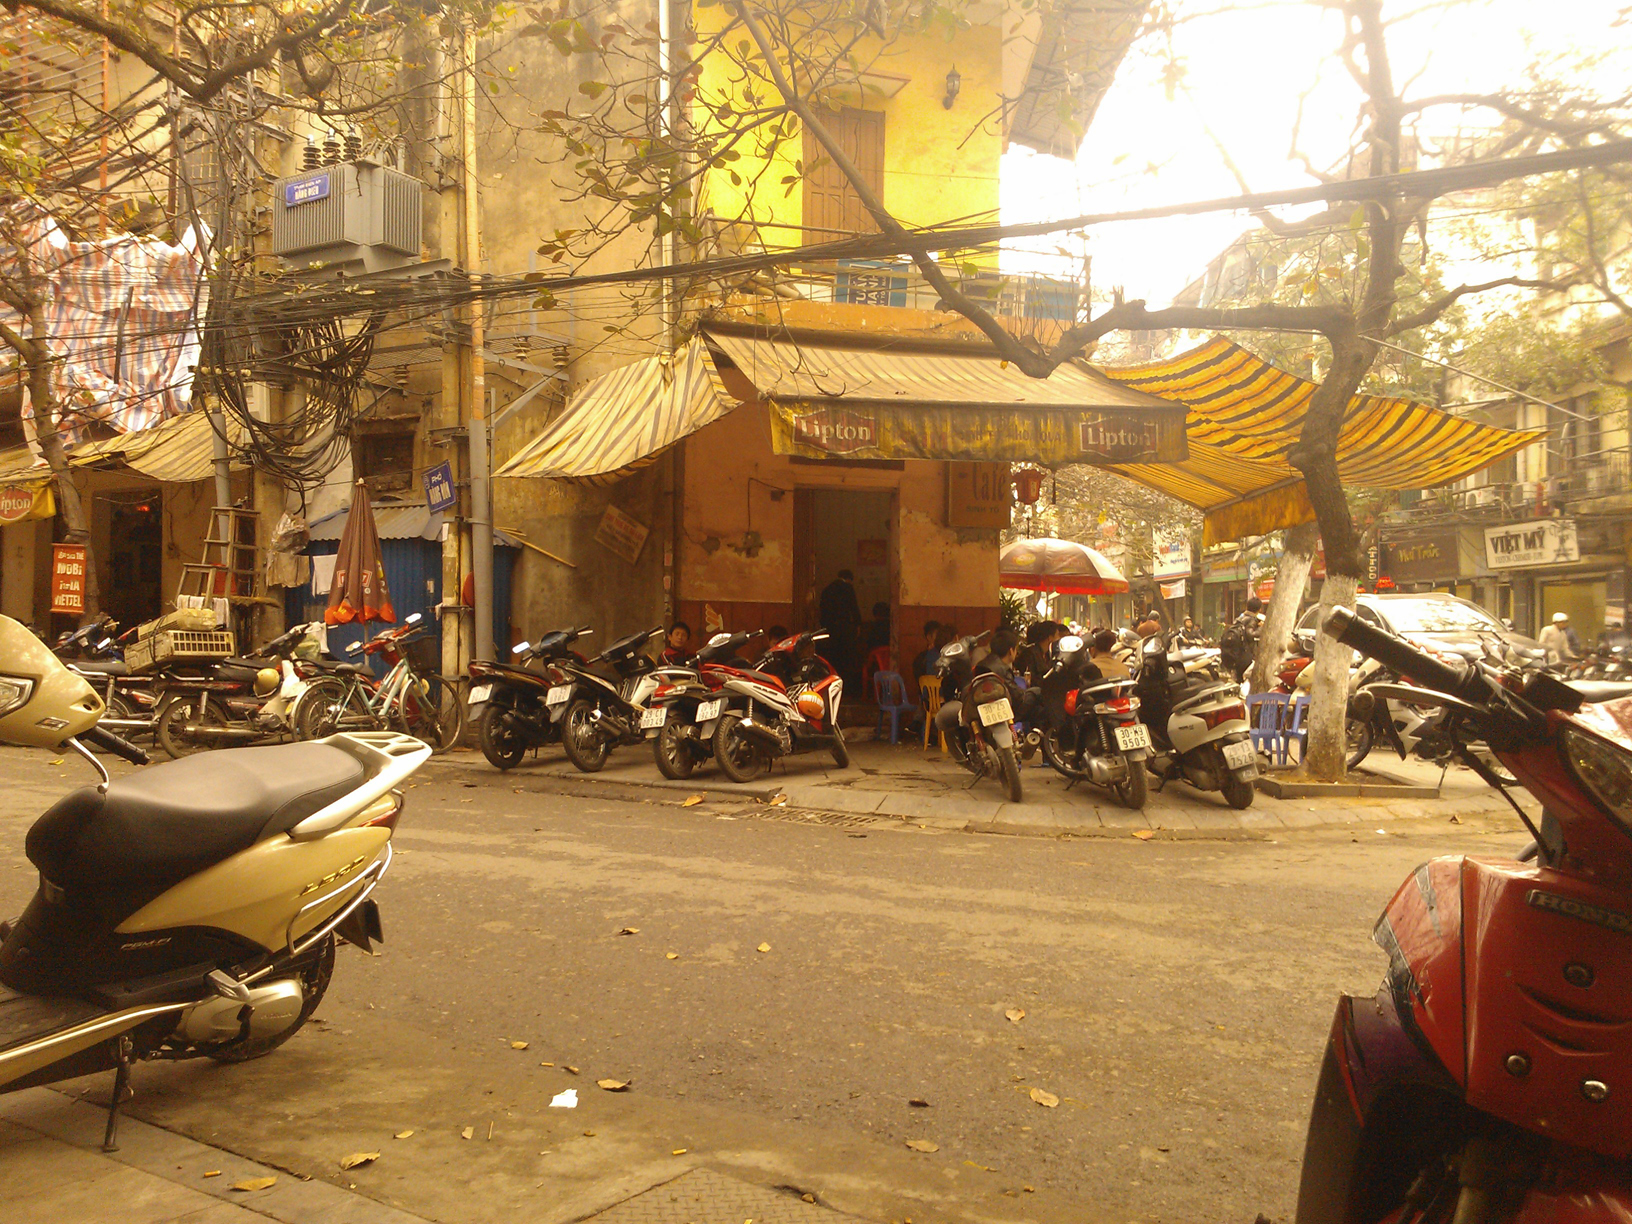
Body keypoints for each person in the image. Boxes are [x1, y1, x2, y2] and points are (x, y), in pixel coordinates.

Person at [818, 569, 863, 682]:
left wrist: (824, 626)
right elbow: (853, 607)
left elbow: (822, 609)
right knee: (846, 656)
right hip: (845, 627)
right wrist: (857, 624)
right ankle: (846, 683)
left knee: (833, 655)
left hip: (830, 627)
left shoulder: (827, 589)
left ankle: (832, 679)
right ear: (849, 579)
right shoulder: (848, 588)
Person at [1220, 596, 1263, 682]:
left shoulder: (1239, 618)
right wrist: (1261, 628)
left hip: (1236, 654)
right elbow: (1251, 635)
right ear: (1259, 609)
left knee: (1239, 679)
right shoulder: (1252, 620)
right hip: (1246, 655)